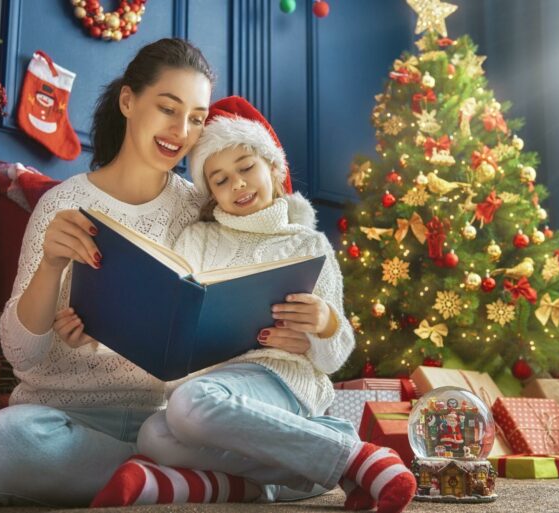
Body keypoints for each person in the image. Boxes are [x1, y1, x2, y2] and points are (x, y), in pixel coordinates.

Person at [89, 97, 417, 512]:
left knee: (189, 406)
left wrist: (326, 323)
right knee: (154, 434)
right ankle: (291, 470)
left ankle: (360, 460)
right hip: (213, 387)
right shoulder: (197, 240)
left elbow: (335, 359)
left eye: (246, 168)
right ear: (211, 194)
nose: (238, 185)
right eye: (221, 180)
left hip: (281, 382)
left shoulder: (307, 244)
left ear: (274, 169)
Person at [0, 38, 215, 507]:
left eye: (197, 118)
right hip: (65, 419)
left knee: (247, 430)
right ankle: (173, 482)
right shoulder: (62, 203)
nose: (181, 130)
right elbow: (21, 356)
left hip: (167, 423)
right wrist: (50, 265)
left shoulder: (199, 209)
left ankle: (149, 478)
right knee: (4, 446)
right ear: (128, 100)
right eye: (168, 108)